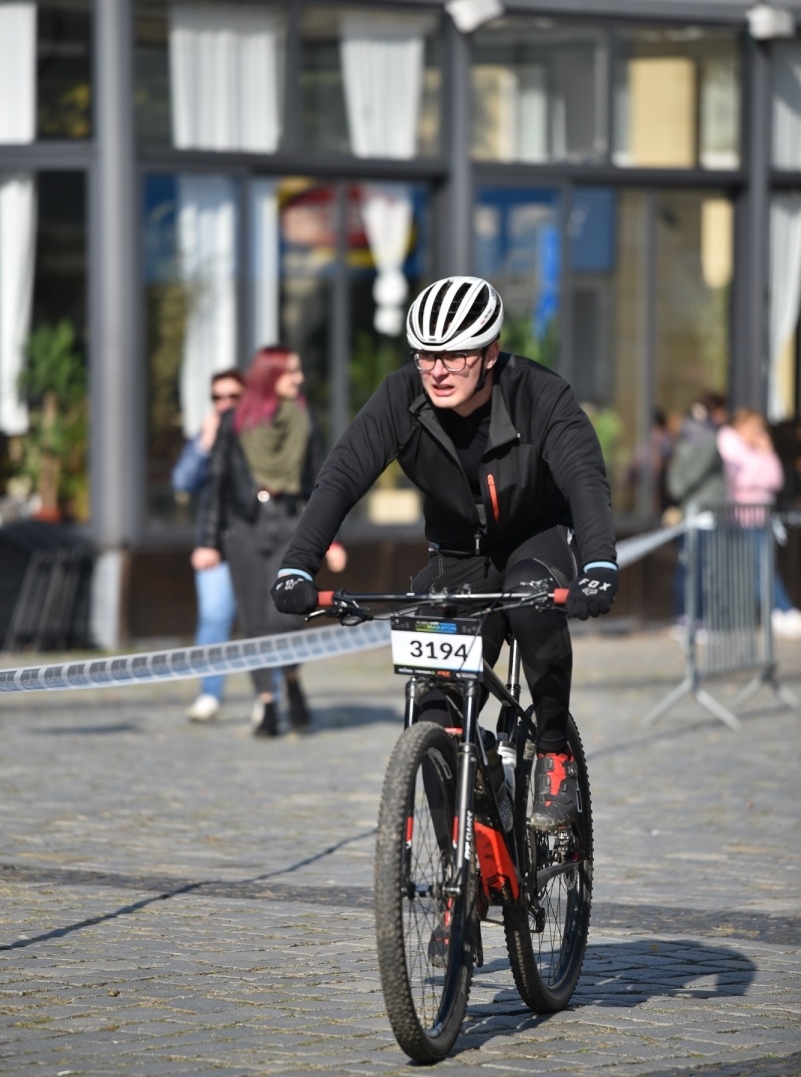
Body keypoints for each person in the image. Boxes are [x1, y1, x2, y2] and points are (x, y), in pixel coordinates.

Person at [272, 276, 617, 830]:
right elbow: (341, 476)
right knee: (434, 712)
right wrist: (298, 563)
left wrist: (599, 563)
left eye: (455, 356)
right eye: (427, 355)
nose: (437, 370)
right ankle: (458, 899)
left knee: (532, 598)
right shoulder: (402, 395)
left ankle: (553, 750)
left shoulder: (539, 394)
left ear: (489, 354)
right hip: (456, 552)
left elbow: (584, 479)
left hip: (537, 536)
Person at [194, 346, 346, 737]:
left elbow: (322, 484)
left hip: (291, 522)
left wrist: (330, 539)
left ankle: (291, 677)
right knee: (256, 621)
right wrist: (208, 542)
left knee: (288, 613)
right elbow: (217, 485)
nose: (298, 378)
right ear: (269, 375)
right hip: (245, 525)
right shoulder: (235, 421)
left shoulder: (305, 417)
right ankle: (267, 702)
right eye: (291, 372)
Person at [171, 368, 244, 723]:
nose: (225, 404)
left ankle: (274, 695)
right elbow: (183, 482)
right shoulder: (208, 435)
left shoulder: (256, 435)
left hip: (255, 542)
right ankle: (209, 694)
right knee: (214, 617)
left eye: (233, 397)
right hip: (215, 544)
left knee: (267, 623)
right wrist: (204, 444)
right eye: (218, 398)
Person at [717, 408, 801, 639]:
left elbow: (776, 479)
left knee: (765, 566)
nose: (758, 432)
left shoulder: (759, 448)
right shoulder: (728, 441)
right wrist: (760, 466)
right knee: (756, 569)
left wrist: (765, 453)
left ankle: (781, 610)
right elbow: (738, 478)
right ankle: (777, 611)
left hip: (761, 518)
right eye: (754, 427)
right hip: (741, 519)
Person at [665, 391, 728, 632]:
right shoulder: (708, 438)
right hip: (702, 513)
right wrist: (679, 489)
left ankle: (686, 618)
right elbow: (685, 477)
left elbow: (676, 476)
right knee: (699, 569)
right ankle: (693, 619)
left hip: (692, 511)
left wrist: (677, 490)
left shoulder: (684, 438)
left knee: (689, 567)